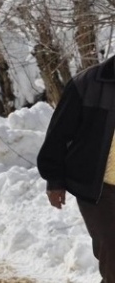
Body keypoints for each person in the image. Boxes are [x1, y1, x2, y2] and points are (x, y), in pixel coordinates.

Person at [37, 56, 115, 283]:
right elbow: (58, 134)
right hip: (99, 188)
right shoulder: (89, 83)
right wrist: (54, 179)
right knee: (113, 251)